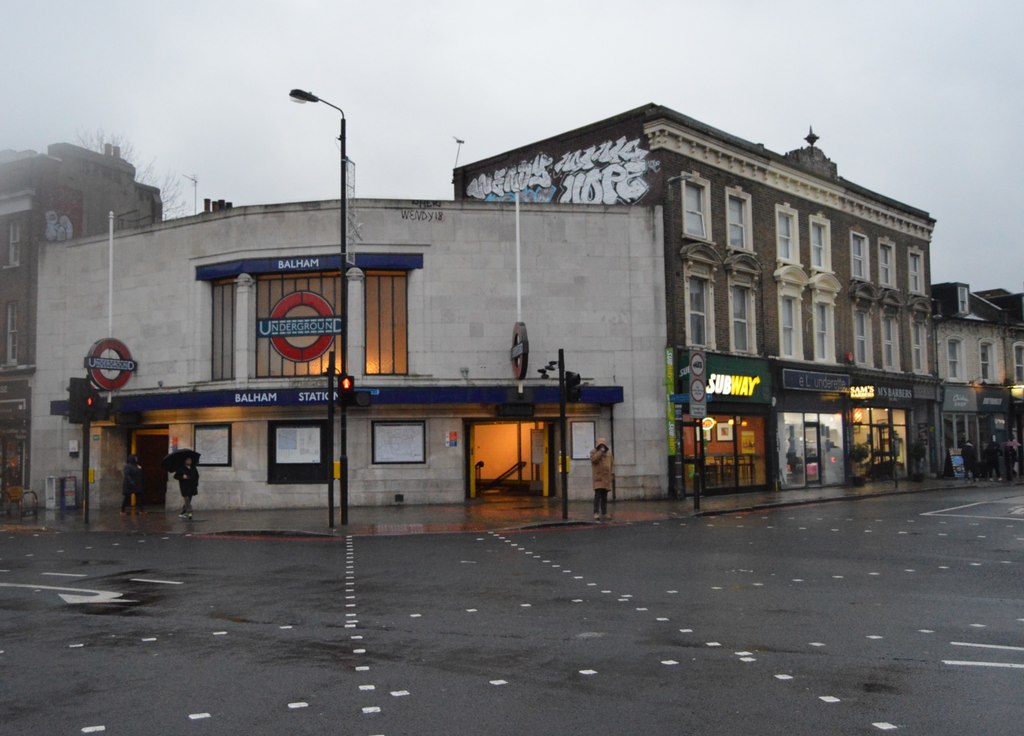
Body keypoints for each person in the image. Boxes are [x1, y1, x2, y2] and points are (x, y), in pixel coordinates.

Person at [589, 437, 614, 521]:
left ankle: (604, 512)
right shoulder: (594, 452)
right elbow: (594, 460)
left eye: (603, 444)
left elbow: (612, 464)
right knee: (597, 496)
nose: (602, 446)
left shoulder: (609, 453)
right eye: (600, 445)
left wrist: (612, 475)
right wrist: (600, 452)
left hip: (606, 478)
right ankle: (596, 513)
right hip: (598, 478)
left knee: (604, 496)